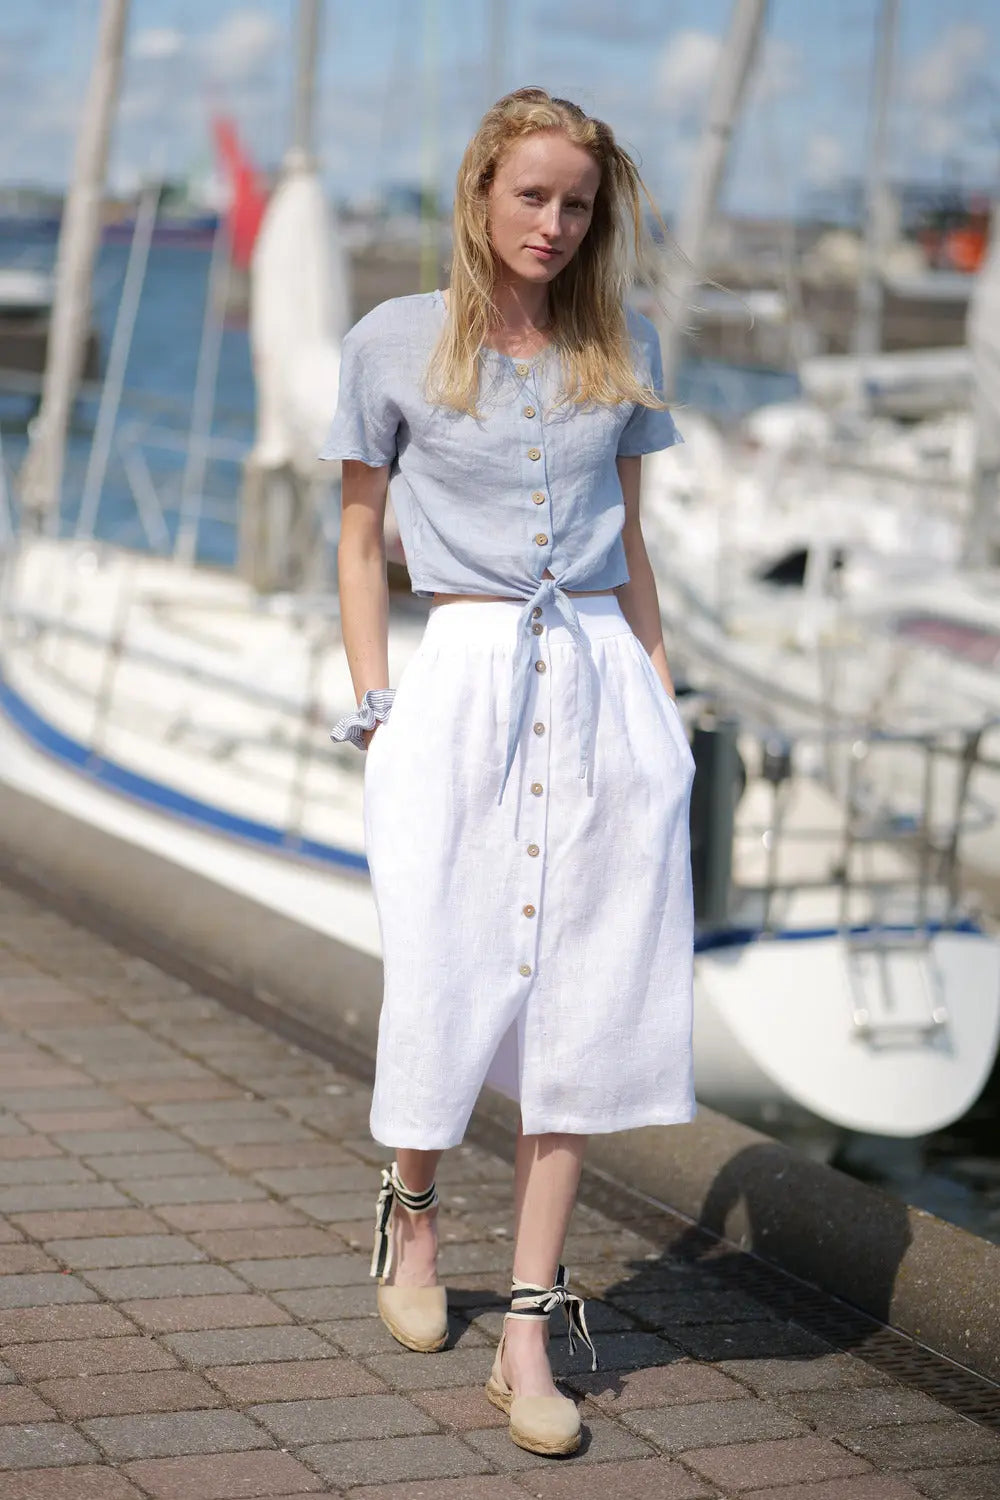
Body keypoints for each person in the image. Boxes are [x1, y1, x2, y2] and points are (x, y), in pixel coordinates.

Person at [321, 86, 695, 1459]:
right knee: (446, 970)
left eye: (579, 203)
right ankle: (412, 1212)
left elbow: (634, 549)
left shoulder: (625, 343)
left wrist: (664, 720)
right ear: (483, 191)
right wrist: (377, 708)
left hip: (601, 687)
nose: (555, 223)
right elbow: (362, 540)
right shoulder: (393, 342)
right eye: (534, 195)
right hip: (462, 684)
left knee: (579, 1007)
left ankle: (531, 1327)